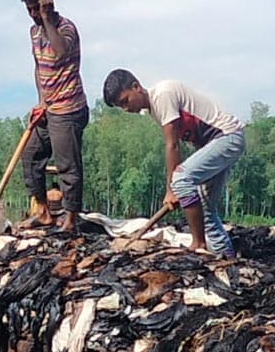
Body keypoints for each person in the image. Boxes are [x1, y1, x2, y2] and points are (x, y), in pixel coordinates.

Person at [103, 68, 245, 257]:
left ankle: (198, 244)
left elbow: (172, 146)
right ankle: (227, 259)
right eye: (121, 107)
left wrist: (172, 189)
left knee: (180, 179)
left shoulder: (163, 95)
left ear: (136, 87)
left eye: (125, 101)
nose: (126, 109)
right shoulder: (154, 109)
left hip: (227, 136)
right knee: (206, 208)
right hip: (215, 143)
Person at [18, 0, 88, 232]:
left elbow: (58, 52)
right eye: (30, 11)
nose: (33, 16)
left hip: (69, 108)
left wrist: (48, 19)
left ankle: (71, 219)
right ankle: (44, 213)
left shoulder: (66, 28)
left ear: (48, 4)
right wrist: (41, 101)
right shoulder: (33, 32)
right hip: (48, 107)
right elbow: (39, 68)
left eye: (36, 9)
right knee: (31, 154)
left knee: (67, 165)